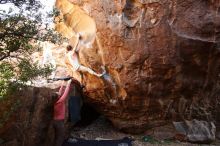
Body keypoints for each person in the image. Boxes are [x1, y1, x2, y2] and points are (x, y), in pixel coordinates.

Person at [51, 78, 72, 146]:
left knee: (57, 136)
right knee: (60, 138)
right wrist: (69, 83)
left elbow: (60, 93)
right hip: (59, 122)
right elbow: (65, 93)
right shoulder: (60, 102)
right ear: (58, 97)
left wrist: (63, 83)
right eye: (58, 94)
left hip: (54, 121)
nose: (59, 93)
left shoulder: (54, 102)